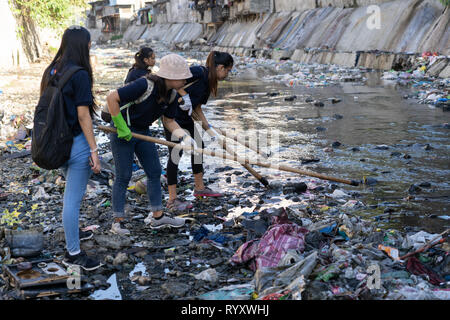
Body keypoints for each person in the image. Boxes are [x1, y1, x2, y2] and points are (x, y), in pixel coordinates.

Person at [106, 53, 197, 235]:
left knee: (155, 172)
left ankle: (158, 216)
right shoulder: (144, 84)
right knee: (124, 175)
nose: (186, 80)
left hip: (143, 132)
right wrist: (122, 127)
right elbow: (111, 98)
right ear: (171, 77)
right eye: (183, 77)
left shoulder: (171, 95)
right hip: (122, 131)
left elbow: (169, 121)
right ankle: (118, 222)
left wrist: (185, 137)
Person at [39, 26, 102, 271]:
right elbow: (83, 116)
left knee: (70, 196)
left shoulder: (51, 70)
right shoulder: (80, 74)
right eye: (88, 43)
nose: (90, 47)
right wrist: (94, 151)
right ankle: (73, 253)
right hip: (75, 142)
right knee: (72, 201)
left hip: (54, 142)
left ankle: (73, 232)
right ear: (82, 46)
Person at [164, 51, 234, 211]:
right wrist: (183, 95)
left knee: (199, 146)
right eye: (228, 70)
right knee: (175, 153)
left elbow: (197, 108)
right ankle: (172, 198)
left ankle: (199, 187)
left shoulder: (209, 83)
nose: (227, 74)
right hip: (171, 117)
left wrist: (209, 129)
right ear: (220, 67)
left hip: (185, 118)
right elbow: (174, 81)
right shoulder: (198, 72)